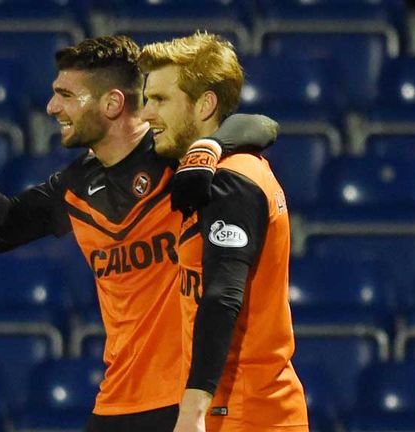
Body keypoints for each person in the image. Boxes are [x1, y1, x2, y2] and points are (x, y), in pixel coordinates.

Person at [0, 35, 277, 432]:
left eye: (66, 95)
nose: (52, 107)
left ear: (112, 103)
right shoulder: (76, 185)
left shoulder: (177, 158)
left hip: (185, 400)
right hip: (115, 403)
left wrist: (210, 145)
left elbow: (257, 126)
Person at [138, 32, 309, 432]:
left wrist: (192, 410)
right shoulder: (213, 170)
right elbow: (263, 124)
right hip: (235, 409)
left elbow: (222, 296)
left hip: (245, 413)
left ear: (205, 104)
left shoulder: (231, 182)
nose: (146, 114)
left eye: (160, 99)